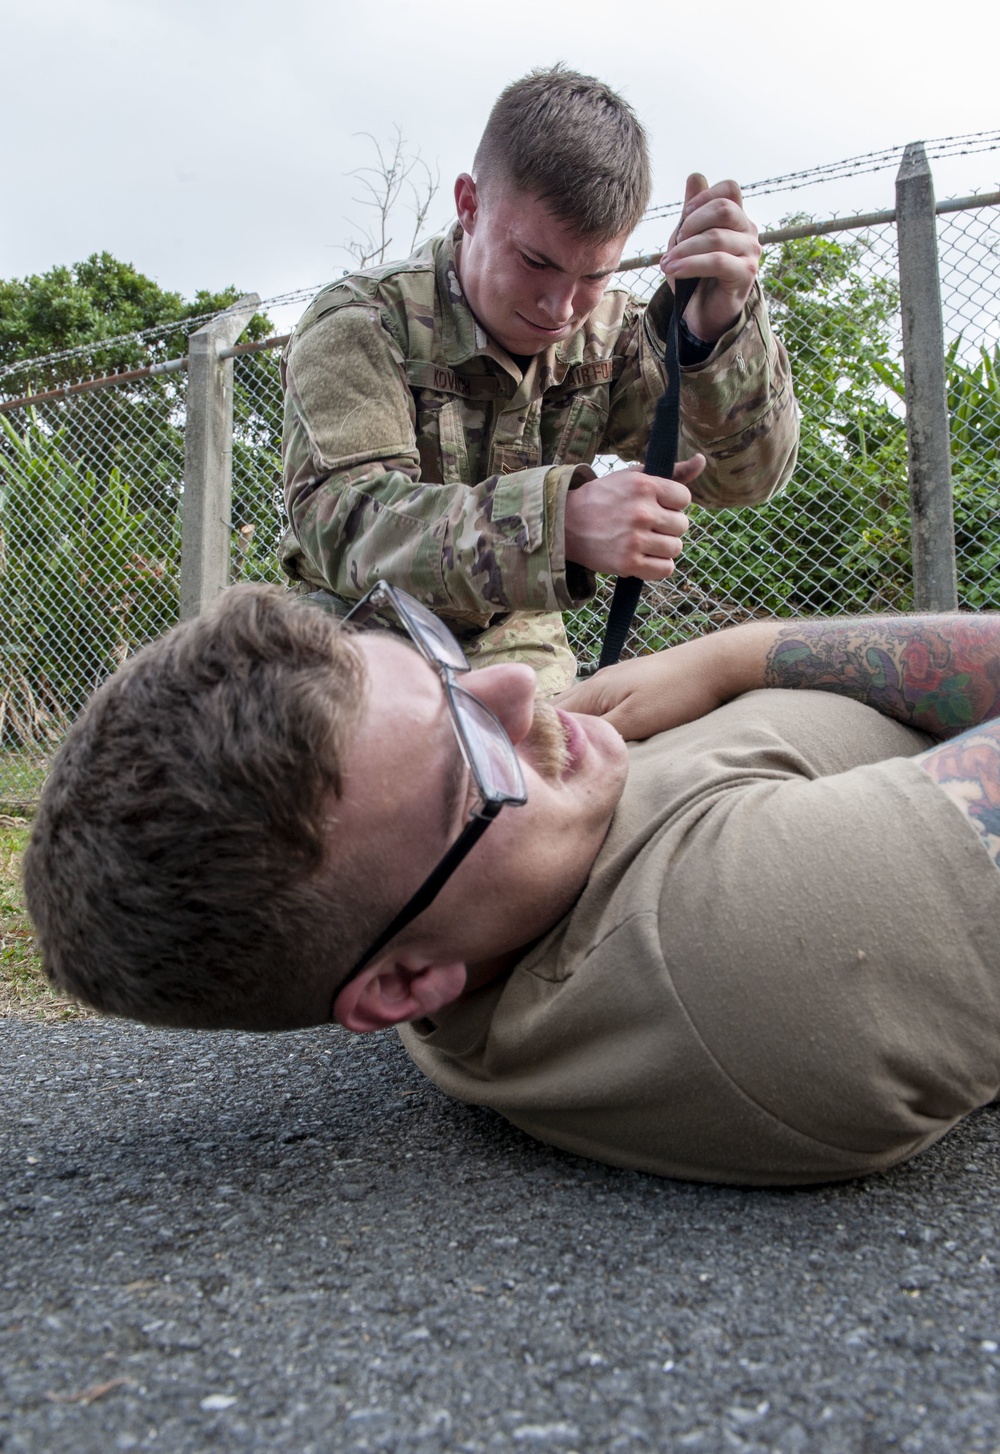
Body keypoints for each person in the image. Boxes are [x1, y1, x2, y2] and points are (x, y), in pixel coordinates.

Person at [23, 583, 1000, 1188]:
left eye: (445, 671)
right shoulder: (750, 940)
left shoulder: (452, 903)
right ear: (405, 985)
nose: (521, 693)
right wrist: (743, 650)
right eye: (474, 768)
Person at [279, 66, 799, 695]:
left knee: (566, 778)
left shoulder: (614, 337)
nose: (559, 307)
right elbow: (348, 523)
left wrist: (716, 335)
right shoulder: (361, 324)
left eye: (594, 276)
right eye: (535, 261)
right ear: (469, 205)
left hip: (519, 651)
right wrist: (559, 524)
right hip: (357, 638)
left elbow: (746, 477)